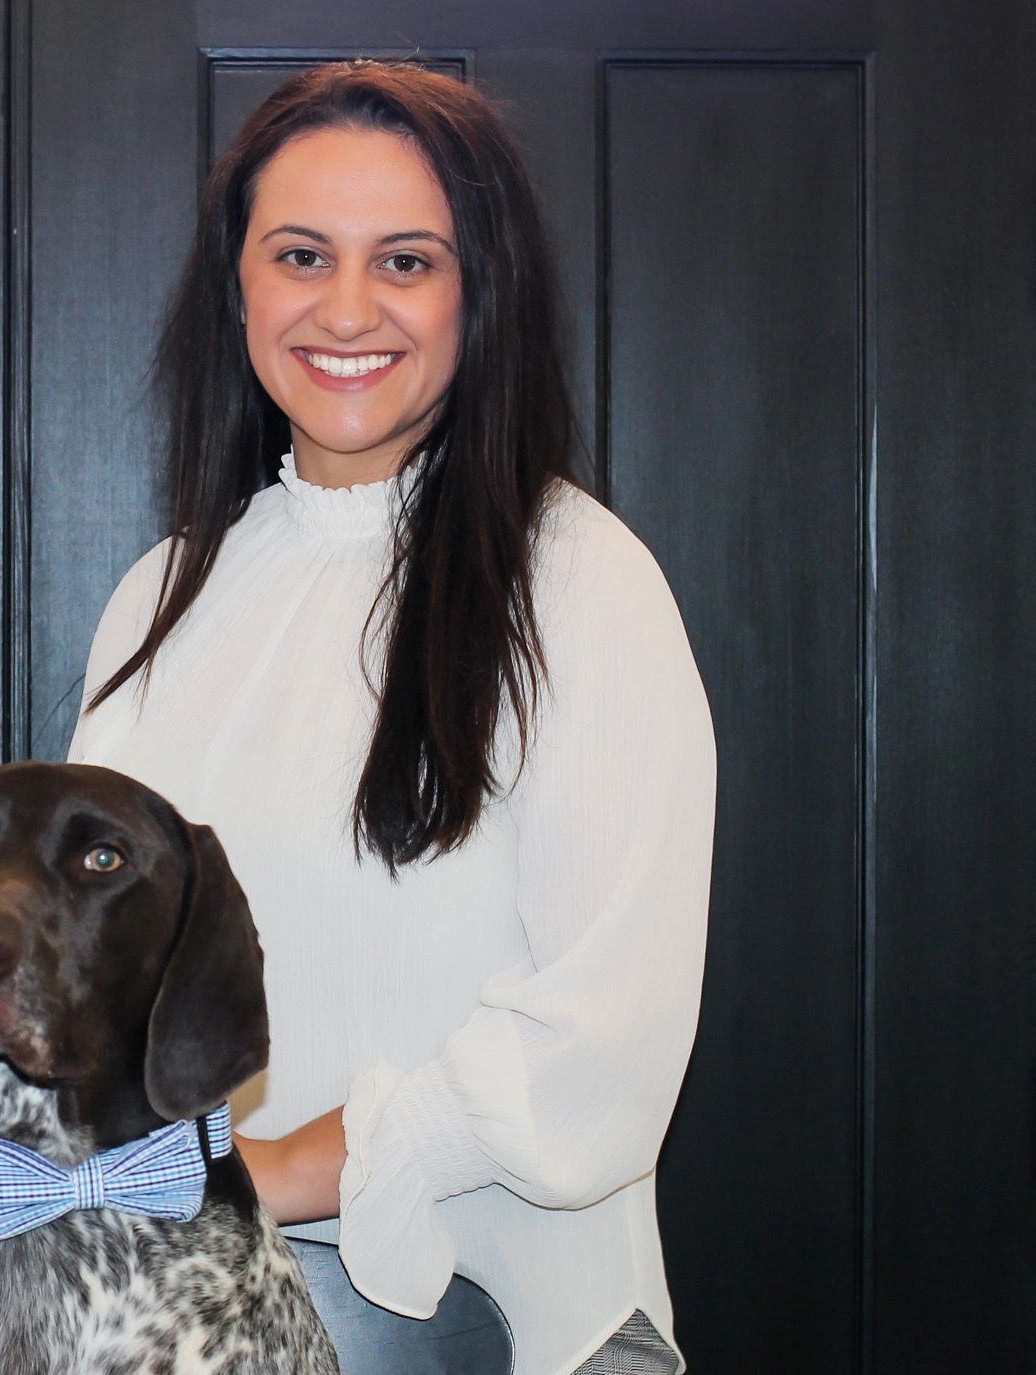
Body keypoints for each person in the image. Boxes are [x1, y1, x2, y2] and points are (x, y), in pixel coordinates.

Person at [69, 62, 714, 1375]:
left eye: (407, 260)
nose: (348, 307)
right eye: (301, 253)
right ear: (237, 284)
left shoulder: (580, 582)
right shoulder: (162, 598)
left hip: (524, 1332)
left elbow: (601, 1040)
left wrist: (267, 1171)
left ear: (481, 290)